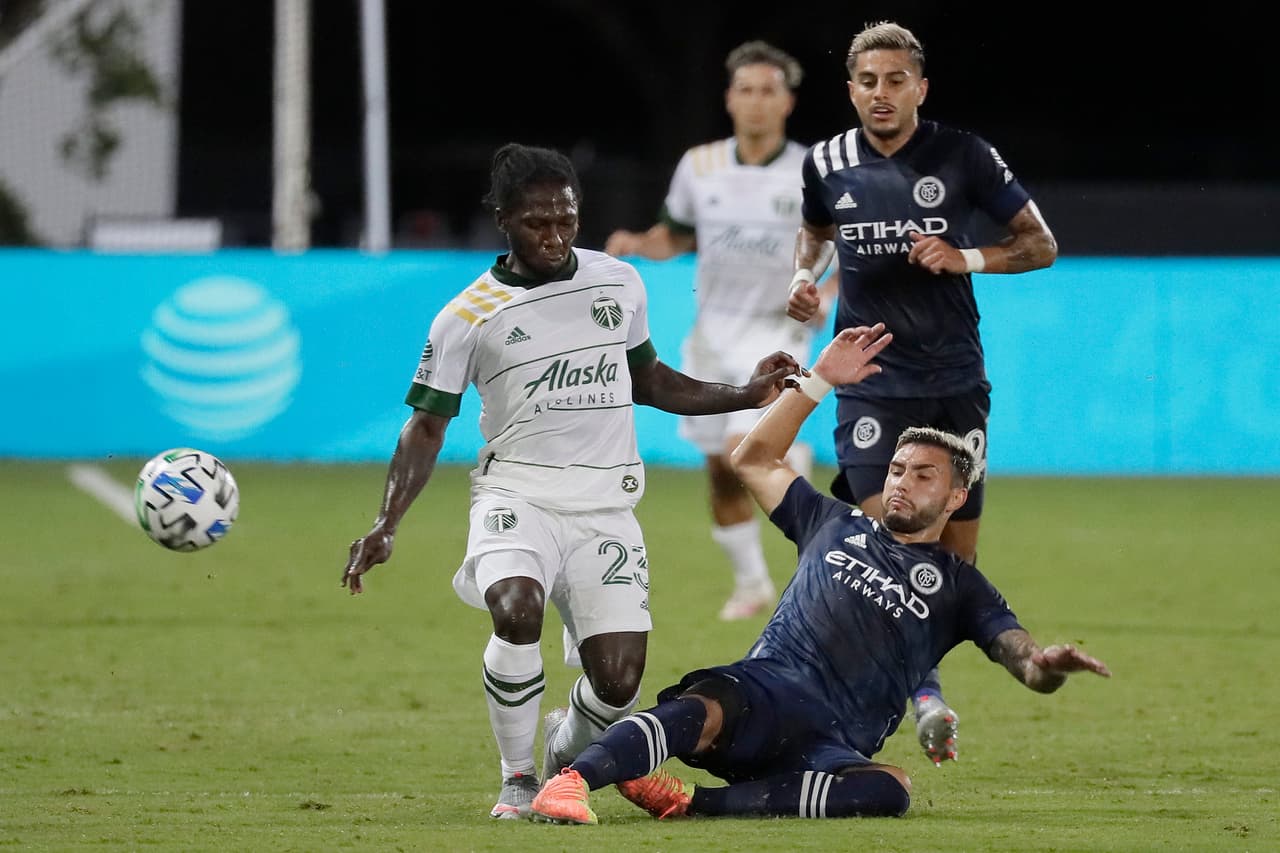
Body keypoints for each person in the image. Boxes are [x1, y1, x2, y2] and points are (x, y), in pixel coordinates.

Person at [339, 142, 801, 820]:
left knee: (618, 683)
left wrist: (746, 393)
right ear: (503, 218)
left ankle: (564, 752)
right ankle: (518, 775)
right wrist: (387, 522)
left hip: (605, 505)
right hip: (516, 494)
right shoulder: (466, 316)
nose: (554, 235)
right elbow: (426, 427)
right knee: (516, 606)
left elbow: (650, 380)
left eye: (566, 218)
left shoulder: (617, 281)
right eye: (536, 222)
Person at [527, 324, 1111, 825]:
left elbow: (1027, 664)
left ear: (958, 496)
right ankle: (572, 779)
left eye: (923, 475)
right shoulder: (831, 522)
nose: (902, 481)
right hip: (763, 692)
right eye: (898, 468)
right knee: (700, 706)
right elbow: (752, 459)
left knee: (890, 790)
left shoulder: (961, 586)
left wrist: (1048, 667)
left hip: (830, 744)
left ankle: (694, 804)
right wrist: (820, 380)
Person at [784, 20, 1060, 765]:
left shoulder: (963, 154)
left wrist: (964, 254)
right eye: (868, 81)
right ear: (851, 89)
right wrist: (803, 281)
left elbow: (1042, 245)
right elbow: (812, 234)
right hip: (872, 380)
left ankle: (922, 681)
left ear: (920, 87)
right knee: (889, 541)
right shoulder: (826, 162)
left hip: (954, 382)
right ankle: (927, 695)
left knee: (954, 563)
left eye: (896, 79)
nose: (881, 93)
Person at [604, 40, 838, 622]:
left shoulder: (811, 169)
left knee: (750, 450)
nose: (756, 102)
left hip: (778, 332)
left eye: (768, 91)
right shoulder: (699, 165)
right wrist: (638, 245)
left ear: (788, 102)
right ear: (729, 99)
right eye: (745, 90)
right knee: (720, 466)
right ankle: (753, 581)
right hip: (712, 336)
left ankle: (817, 567)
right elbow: (676, 235)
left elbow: (836, 246)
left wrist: (826, 294)